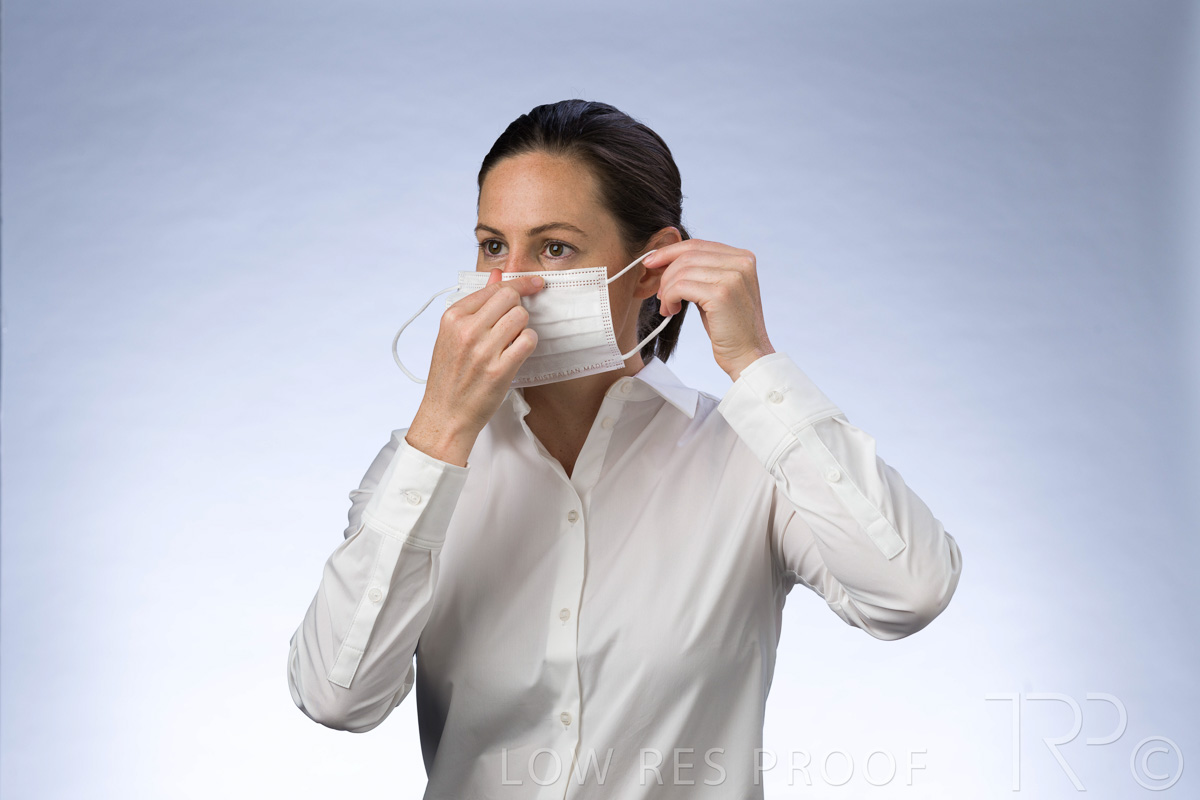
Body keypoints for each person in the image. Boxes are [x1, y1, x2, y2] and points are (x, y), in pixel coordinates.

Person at [287, 99, 963, 798]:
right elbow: (338, 698)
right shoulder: (426, 468)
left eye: (554, 248)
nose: (509, 283)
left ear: (649, 267)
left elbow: (910, 592)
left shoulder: (748, 460)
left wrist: (754, 361)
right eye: (492, 246)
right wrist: (439, 430)